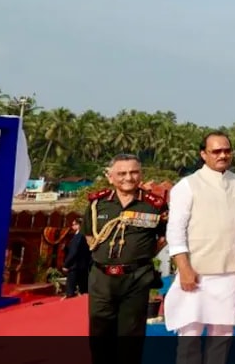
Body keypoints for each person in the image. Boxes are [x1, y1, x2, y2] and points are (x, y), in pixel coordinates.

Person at [164, 131, 235, 364]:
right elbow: (175, 230)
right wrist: (184, 268)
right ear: (203, 154)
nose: (222, 155)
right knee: (189, 335)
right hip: (195, 272)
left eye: (226, 150)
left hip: (229, 274)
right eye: (216, 151)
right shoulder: (187, 185)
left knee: (222, 336)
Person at [85, 153, 168, 364]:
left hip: (136, 278)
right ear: (110, 177)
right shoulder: (97, 204)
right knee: (99, 332)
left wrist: (139, 255)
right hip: (102, 278)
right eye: (121, 173)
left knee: (131, 336)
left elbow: (164, 237)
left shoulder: (154, 205)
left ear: (141, 174)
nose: (128, 178)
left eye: (133, 172)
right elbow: (89, 236)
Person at [62, 217, 91, 297]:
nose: (72, 227)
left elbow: (74, 252)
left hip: (75, 266)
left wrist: (66, 264)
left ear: (79, 225)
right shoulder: (86, 236)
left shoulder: (79, 236)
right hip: (84, 266)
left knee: (71, 289)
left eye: (74, 224)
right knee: (84, 288)